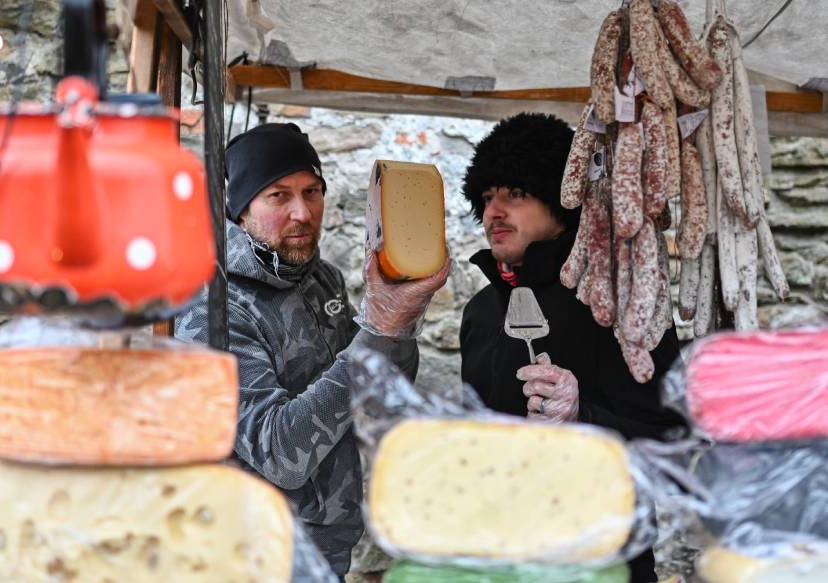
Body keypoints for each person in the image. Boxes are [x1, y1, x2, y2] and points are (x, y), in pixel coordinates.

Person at [175, 122, 449, 577]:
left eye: (311, 191)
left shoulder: (320, 278)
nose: (302, 213)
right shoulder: (214, 308)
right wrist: (379, 327)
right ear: (241, 210)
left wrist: (401, 320)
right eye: (278, 196)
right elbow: (282, 455)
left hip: (327, 543)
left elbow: (382, 392)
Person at [458, 113, 686, 583]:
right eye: (485, 198)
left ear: (561, 202)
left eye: (514, 194)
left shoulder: (619, 300)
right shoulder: (480, 312)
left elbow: (674, 440)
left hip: (601, 559)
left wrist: (583, 417)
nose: (493, 212)